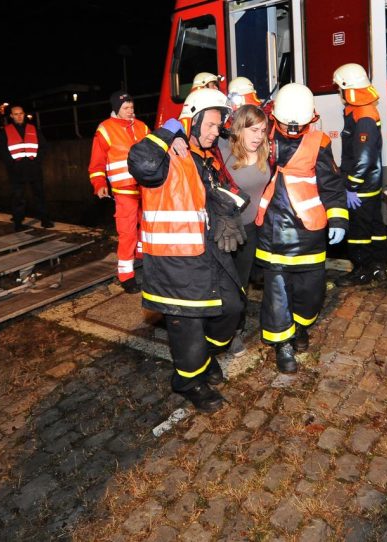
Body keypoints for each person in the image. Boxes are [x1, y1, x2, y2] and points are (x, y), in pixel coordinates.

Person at [127, 88, 249, 413]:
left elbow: (220, 193)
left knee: (233, 308)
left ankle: (204, 359)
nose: (215, 132)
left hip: (209, 254)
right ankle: (188, 381)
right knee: (189, 329)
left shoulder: (206, 155)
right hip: (175, 262)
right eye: (209, 125)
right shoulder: (170, 153)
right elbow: (140, 163)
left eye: (217, 125)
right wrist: (168, 132)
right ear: (191, 122)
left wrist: (229, 214)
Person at [255, 83, 347, 373]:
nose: (292, 130)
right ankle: (283, 343)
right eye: (285, 124)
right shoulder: (263, 137)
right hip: (273, 230)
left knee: (311, 291)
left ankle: (301, 324)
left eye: (299, 125)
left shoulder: (319, 141)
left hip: (309, 230)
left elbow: (331, 184)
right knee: (278, 292)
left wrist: (338, 218)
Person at [218, 104, 271, 356]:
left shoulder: (265, 151)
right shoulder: (223, 151)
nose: (259, 136)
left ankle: (234, 326)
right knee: (232, 284)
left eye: (262, 130)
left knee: (244, 282)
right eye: (253, 130)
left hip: (253, 229)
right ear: (239, 128)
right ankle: (232, 333)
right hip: (229, 230)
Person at [332, 63, 387, 287]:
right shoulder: (363, 111)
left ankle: (361, 271)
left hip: (361, 186)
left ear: (348, 89)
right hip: (370, 183)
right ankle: (379, 265)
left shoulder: (362, 116)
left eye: (339, 88)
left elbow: (363, 158)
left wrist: (351, 186)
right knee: (375, 226)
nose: (339, 93)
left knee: (359, 231)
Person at [88, 92, 149, 293]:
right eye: (126, 108)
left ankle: (142, 258)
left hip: (146, 189)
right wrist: (99, 183)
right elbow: (96, 163)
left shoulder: (142, 127)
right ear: (116, 109)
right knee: (127, 233)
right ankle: (126, 276)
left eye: (132, 107)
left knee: (147, 228)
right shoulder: (105, 129)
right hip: (123, 191)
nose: (131, 111)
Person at [0, 105, 53, 231]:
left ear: (24, 114)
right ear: (11, 116)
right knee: (18, 197)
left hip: (34, 168)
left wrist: (37, 161)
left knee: (39, 195)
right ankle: (18, 223)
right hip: (16, 170)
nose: (19, 116)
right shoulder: (5, 131)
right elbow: (1, 151)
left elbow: (44, 147)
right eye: (16, 114)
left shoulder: (33, 129)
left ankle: (45, 219)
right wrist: (12, 164)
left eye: (21, 113)